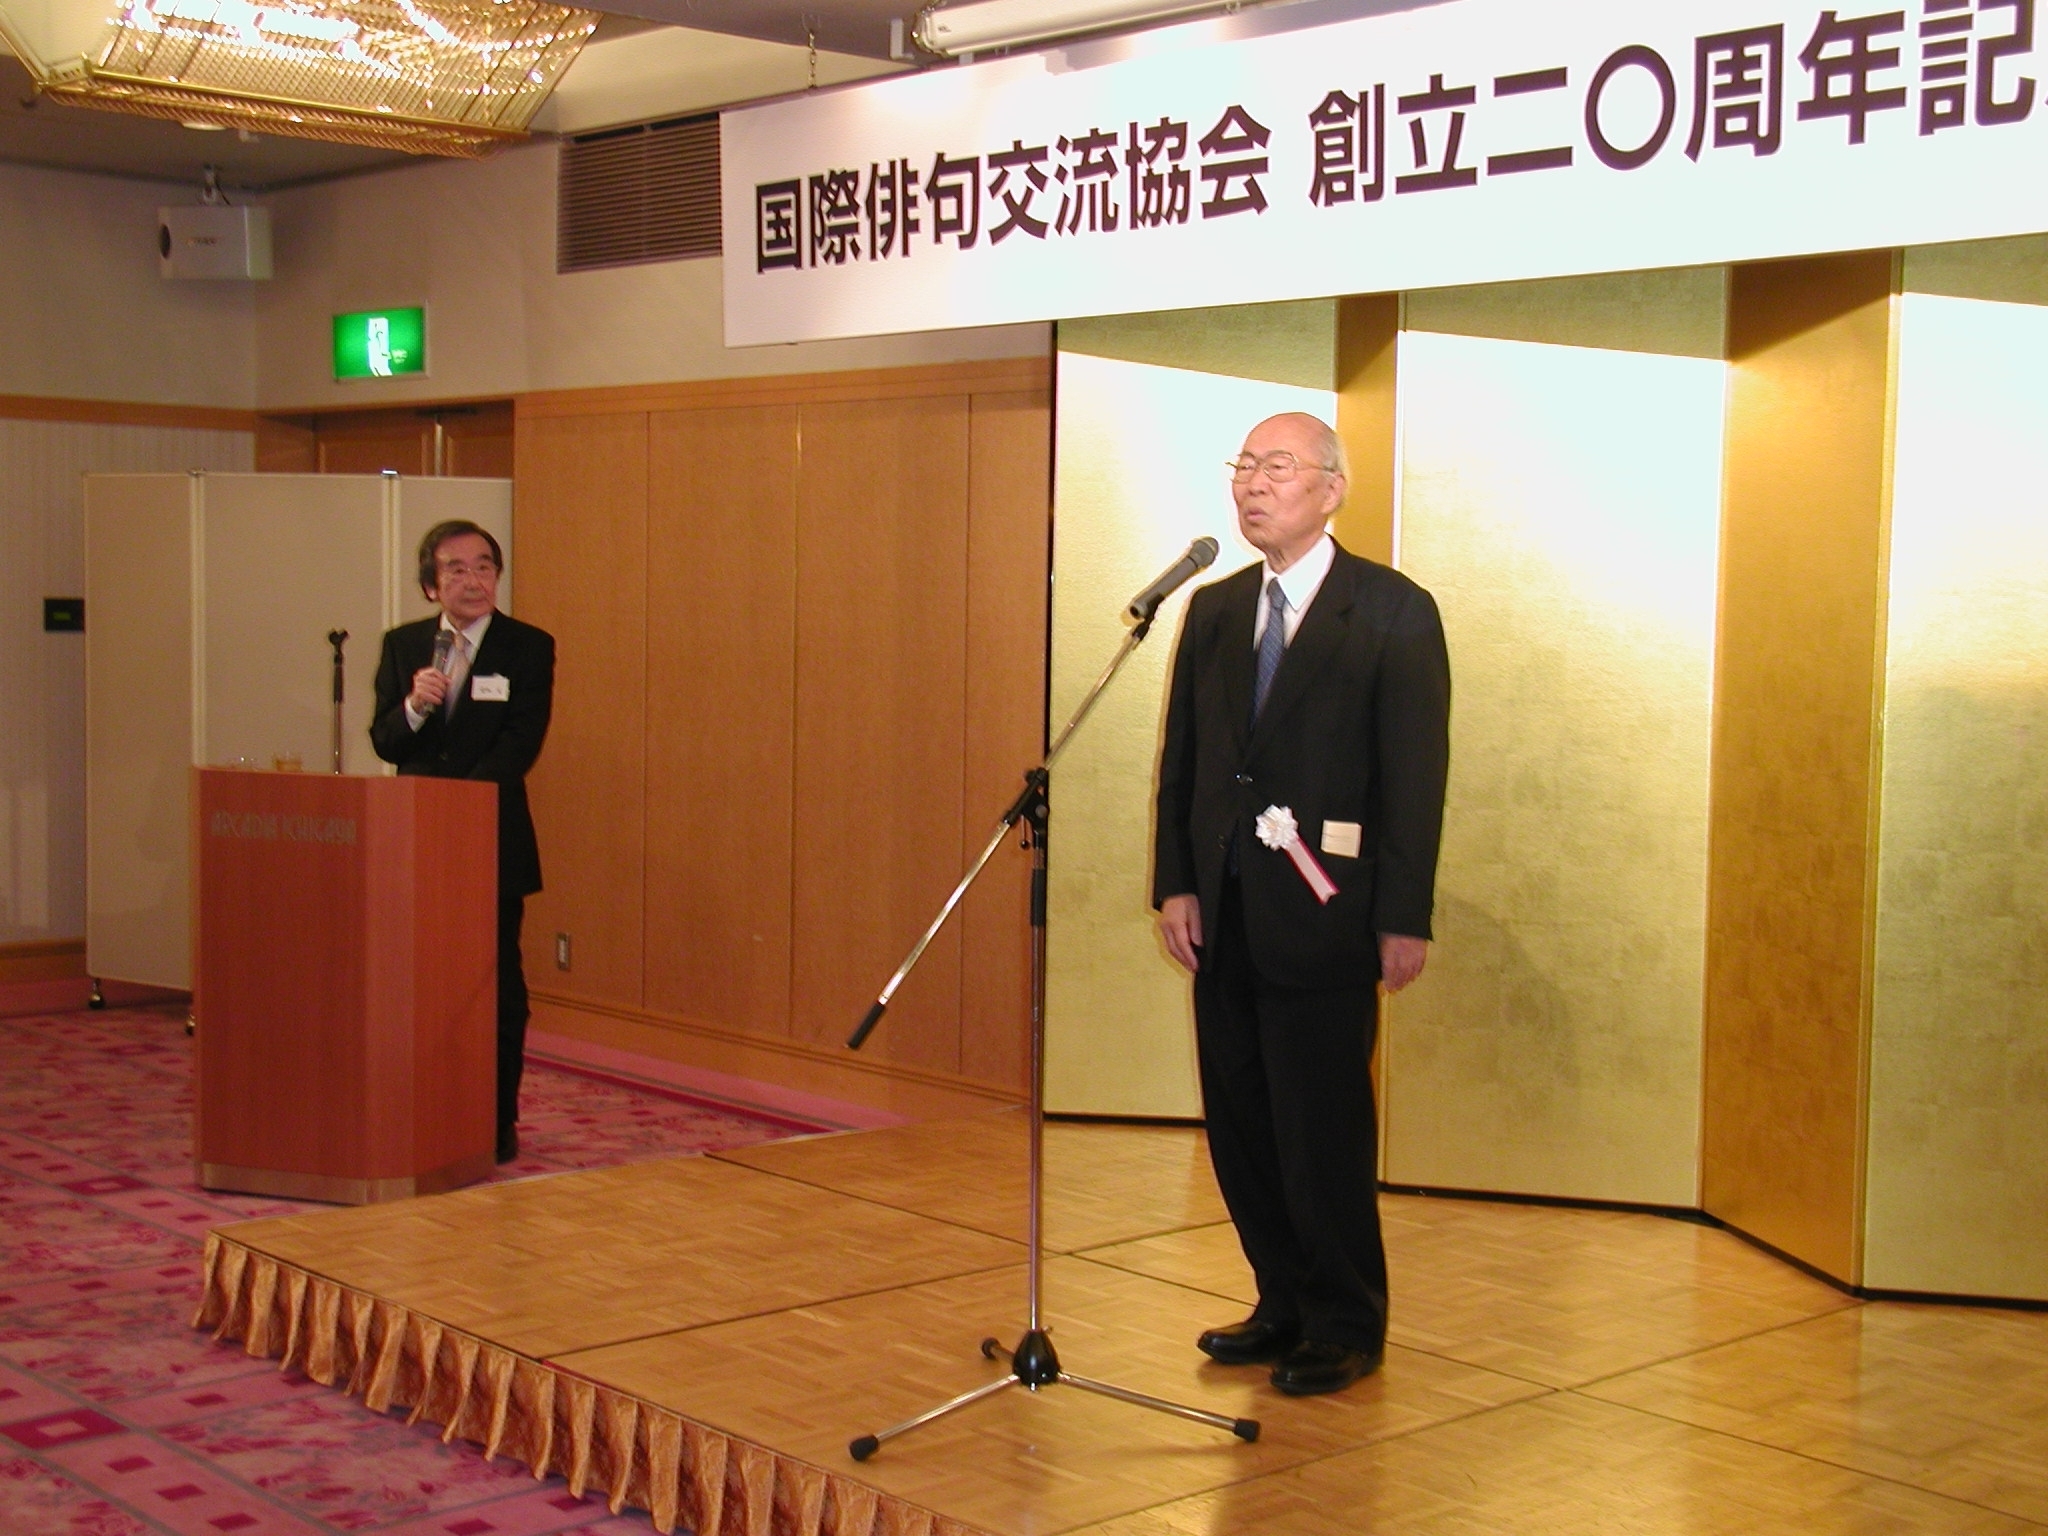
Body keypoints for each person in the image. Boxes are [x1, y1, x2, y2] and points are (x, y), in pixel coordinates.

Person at [1153, 412, 1450, 1396]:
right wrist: (1176, 882)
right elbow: (1185, 762)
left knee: (1321, 1127)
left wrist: (1402, 914)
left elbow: (1415, 775)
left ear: (1331, 488)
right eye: (1243, 465)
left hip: (1328, 917)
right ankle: (1278, 1299)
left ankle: (1344, 1320)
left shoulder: (1392, 612)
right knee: (1241, 1120)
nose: (1252, 483)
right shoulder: (1213, 609)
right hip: (1225, 911)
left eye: (1276, 467)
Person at [372, 521, 555, 1165]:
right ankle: (420, 1108)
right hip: (415, 843)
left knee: (494, 986)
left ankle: (495, 1117)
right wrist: (414, 706)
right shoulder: (403, 646)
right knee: (419, 983)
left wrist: (459, 814)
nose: (472, 580)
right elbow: (386, 742)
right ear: (432, 584)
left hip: (490, 843)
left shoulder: (527, 646)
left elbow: (520, 745)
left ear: (497, 578)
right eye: (456, 569)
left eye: (484, 567)